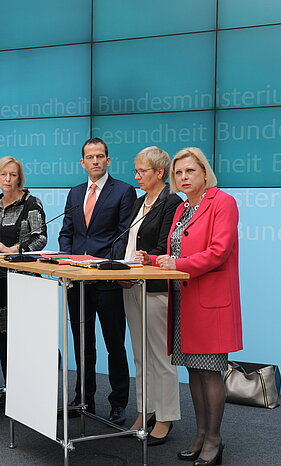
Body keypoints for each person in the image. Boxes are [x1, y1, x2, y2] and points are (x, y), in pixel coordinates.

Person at [137, 147, 242, 465]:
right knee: (195, 373)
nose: (184, 177)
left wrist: (175, 263)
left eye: (190, 171)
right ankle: (199, 435)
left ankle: (214, 440)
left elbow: (218, 251)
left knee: (210, 374)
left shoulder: (223, 202)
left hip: (210, 302)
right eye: (179, 173)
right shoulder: (183, 209)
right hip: (184, 301)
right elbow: (174, 253)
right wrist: (152, 259)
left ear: (205, 173)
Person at [58, 137, 136, 425]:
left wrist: (101, 266)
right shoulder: (75, 193)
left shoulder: (124, 191)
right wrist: (69, 260)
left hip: (107, 280)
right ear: (82, 162)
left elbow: (123, 234)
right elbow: (67, 232)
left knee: (114, 344)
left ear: (108, 160)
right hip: (77, 280)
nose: (95, 161)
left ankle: (118, 403)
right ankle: (83, 397)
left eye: (100, 156)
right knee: (82, 343)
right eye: (90, 157)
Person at [0, 156, 47, 408]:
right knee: (2, 336)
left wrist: (10, 248)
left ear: (19, 178)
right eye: (3, 175)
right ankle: (9, 388)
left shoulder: (31, 204)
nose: (8, 179)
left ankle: (29, 391)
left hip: (21, 281)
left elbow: (39, 239)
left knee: (22, 338)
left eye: (13, 175)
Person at [119, 146, 182, 444]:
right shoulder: (139, 201)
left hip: (155, 288)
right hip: (130, 283)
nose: (136, 176)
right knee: (140, 356)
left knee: (160, 356)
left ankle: (166, 417)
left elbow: (165, 247)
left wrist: (144, 261)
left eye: (141, 171)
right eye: (135, 170)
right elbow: (128, 241)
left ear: (160, 172)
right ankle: (146, 411)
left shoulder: (172, 202)